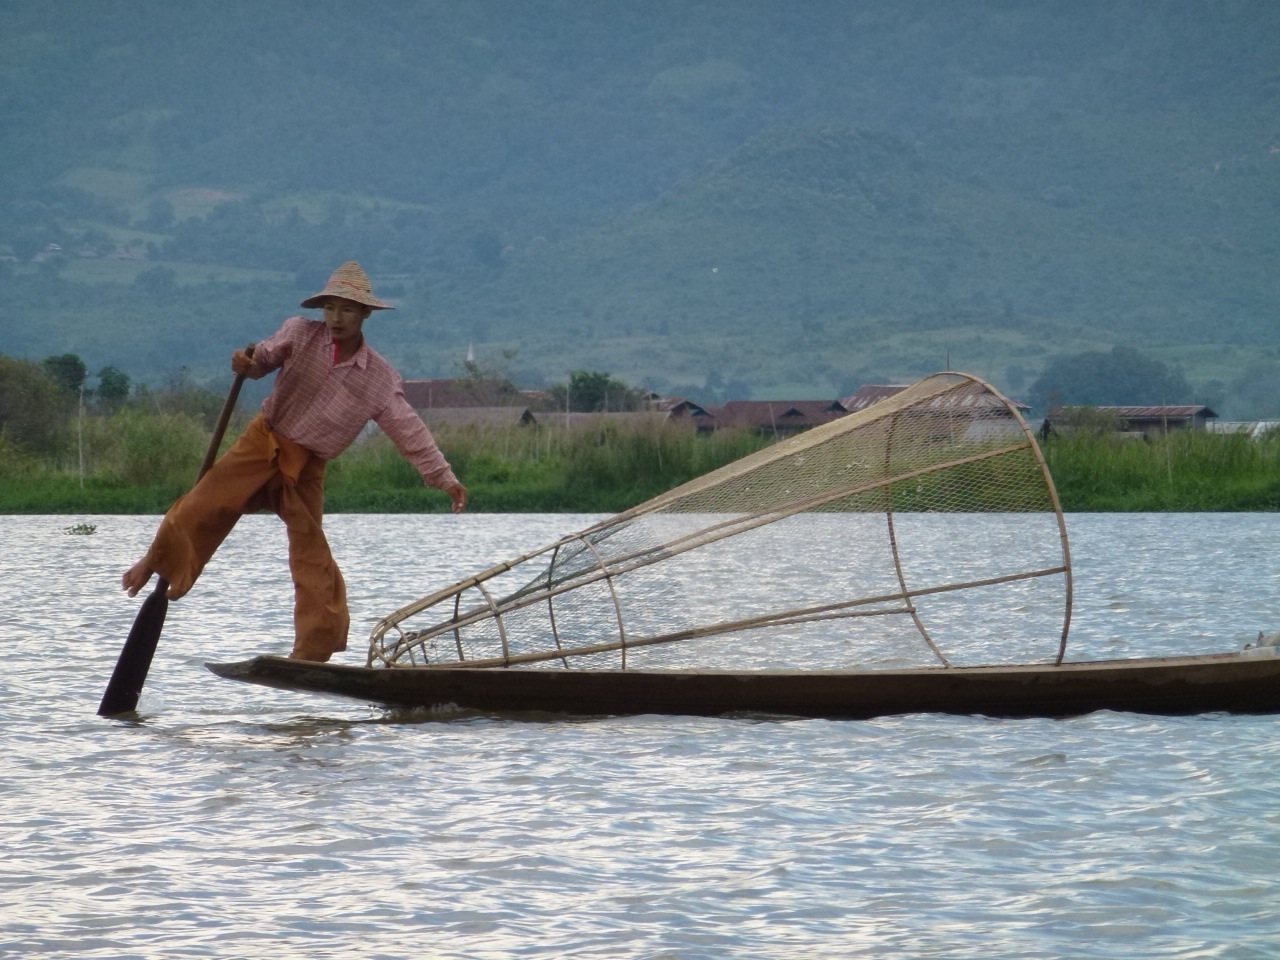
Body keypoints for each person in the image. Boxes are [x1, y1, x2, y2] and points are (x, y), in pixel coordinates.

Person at [121, 261, 467, 662]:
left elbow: (410, 432)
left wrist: (444, 478)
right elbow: (263, 358)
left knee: (312, 557)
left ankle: (311, 653)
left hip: (307, 468)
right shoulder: (299, 334)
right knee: (199, 509)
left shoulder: (380, 378)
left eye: (348, 310)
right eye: (331, 308)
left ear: (366, 314)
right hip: (262, 443)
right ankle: (154, 561)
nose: (337, 318)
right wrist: (247, 365)